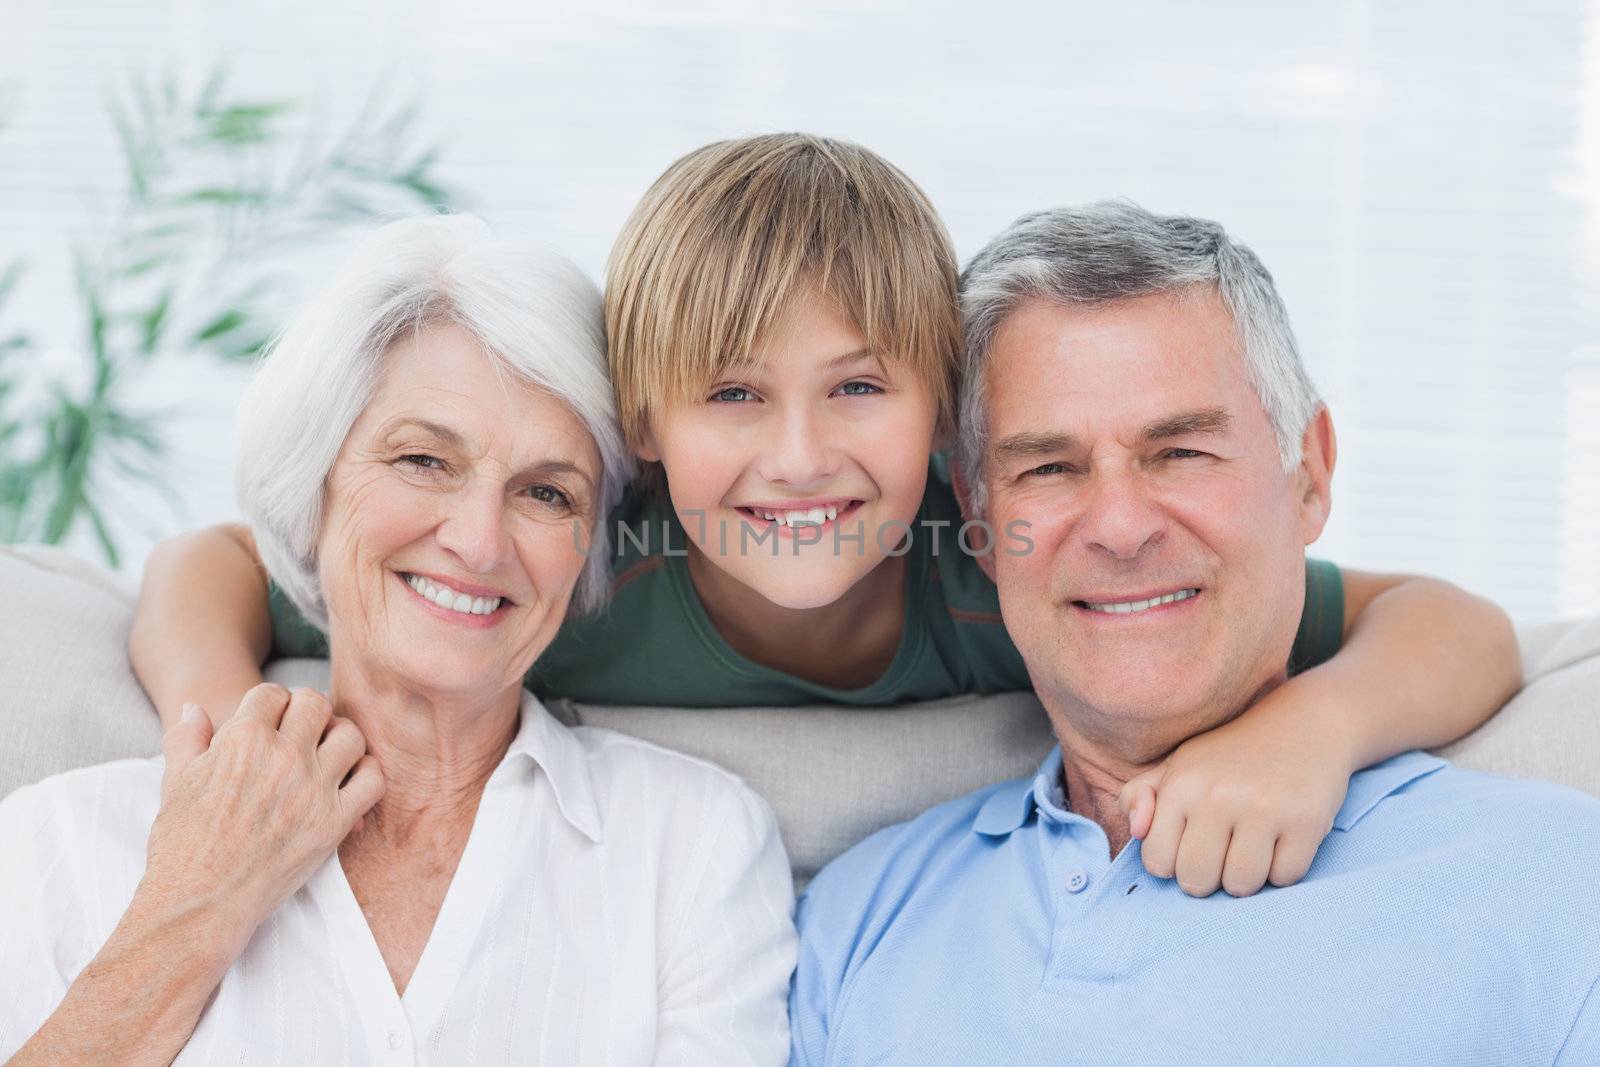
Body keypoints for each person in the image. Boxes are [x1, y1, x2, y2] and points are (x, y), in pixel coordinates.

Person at [127, 134, 1521, 898]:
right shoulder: (567, 577)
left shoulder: (1018, 574)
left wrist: (1309, 729)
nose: (799, 459)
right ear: (646, 427)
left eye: (859, 386)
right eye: (733, 393)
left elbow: (1456, 623)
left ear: (948, 424)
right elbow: (223, 563)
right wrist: (212, 716)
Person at [788, 202, 1600, 1064]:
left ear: (1309, 476)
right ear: (981, 526)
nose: (1122, 526)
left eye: (1180, 452)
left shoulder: (1559, 881)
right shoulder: (862, 914)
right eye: (1050, 468)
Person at [0, 216, 796, 1065]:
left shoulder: (694, 846)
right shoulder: (64, 838)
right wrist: (195, 904)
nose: (481, 542)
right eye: (423, 460)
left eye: (547, 494)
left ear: (590, 553)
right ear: (313, 491)